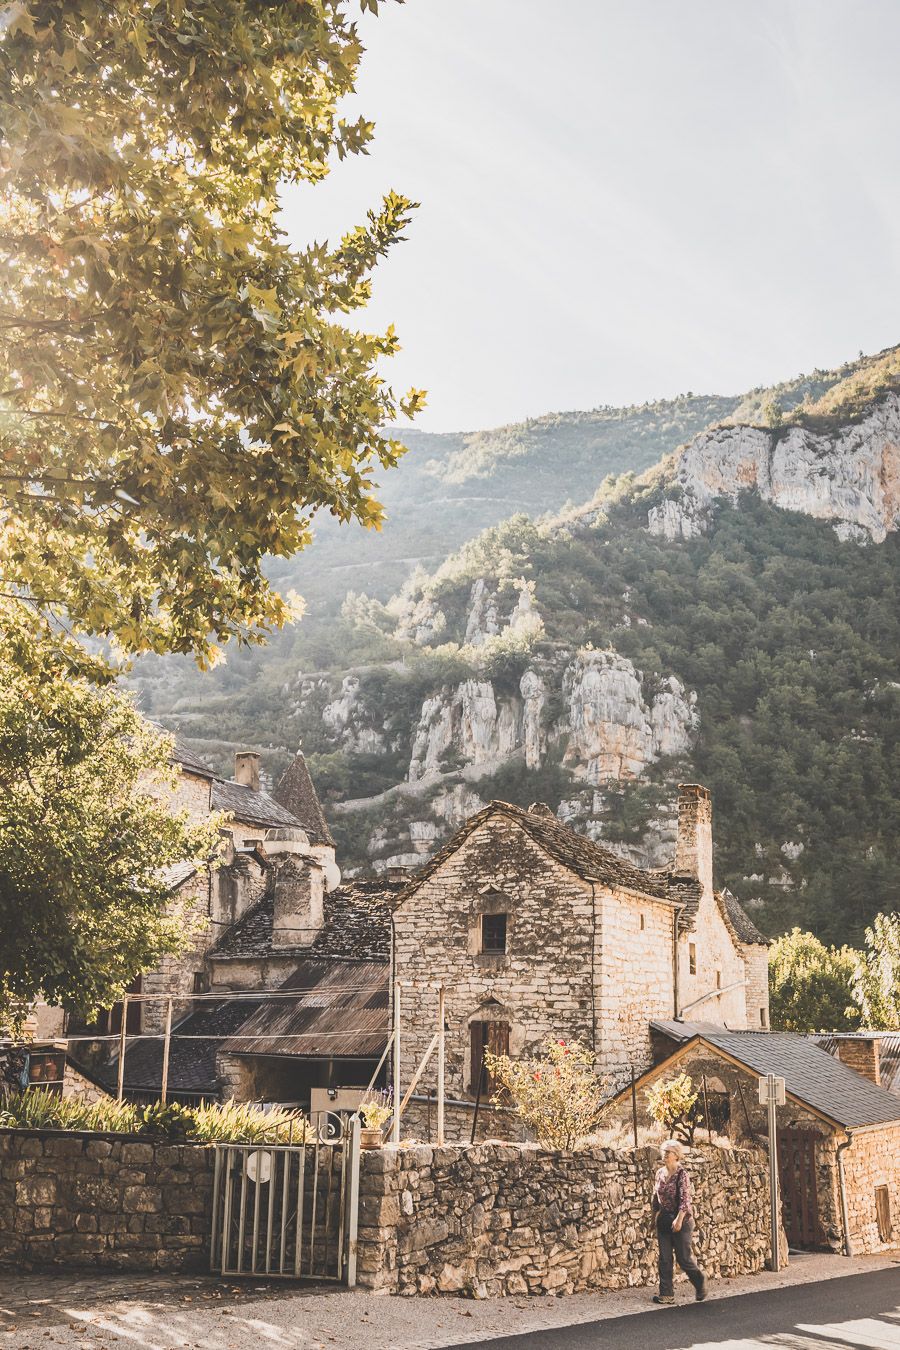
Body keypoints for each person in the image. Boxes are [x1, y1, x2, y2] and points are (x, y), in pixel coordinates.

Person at [651, 1138, 707, 1305]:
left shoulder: (682, 1174)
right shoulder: (659, 1173)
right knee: (665, 1258)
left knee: (683, 1258)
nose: (665, 1154)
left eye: (668, 1152)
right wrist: (653, 1217)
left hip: (682, 1220)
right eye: (664, 1151)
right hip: (664, 1220)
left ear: (676, 1155)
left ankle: (700, 1281)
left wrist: (679, 1219)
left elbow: (685, 1200)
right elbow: (656, 1197)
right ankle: (666, 1294)